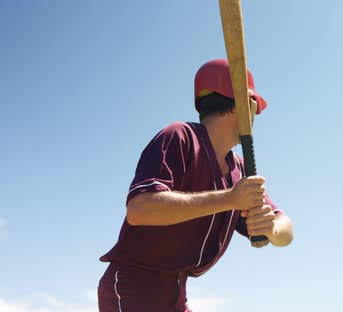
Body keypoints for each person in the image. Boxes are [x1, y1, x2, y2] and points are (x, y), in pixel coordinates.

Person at [97, 59, 294, 312]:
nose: (255, 118)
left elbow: (285, 226)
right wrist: (230, 199)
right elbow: (140, 210)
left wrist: (271, 228)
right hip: (134, 288)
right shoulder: (180, 137)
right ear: (243, 106)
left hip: (176, 294)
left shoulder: (240, 168)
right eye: (253, 109)